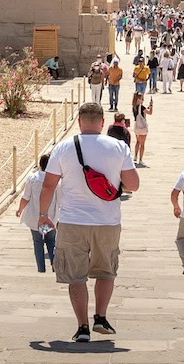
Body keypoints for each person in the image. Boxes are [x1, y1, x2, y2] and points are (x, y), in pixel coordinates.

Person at [38, 101, 140, 342]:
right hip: (107, 220)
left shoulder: (63, 147)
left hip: (73, 220)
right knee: (106, 271)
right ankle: (101, 317)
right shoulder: (118, 147)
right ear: (102, 122)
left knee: (75, 276)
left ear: (79, 121)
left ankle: (82, 327)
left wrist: (44, 215)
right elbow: (134, 185)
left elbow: (48, 185)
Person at [15, 154, 56, 273]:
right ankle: (54, 264)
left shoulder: (33, 178)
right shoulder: (57, 180)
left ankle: (41, 268)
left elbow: (26, 197)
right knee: (52, 240)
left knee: (37, 242)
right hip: (51, 216)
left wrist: (20, 209)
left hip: (34, 216)